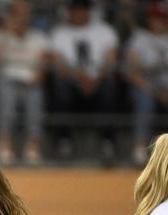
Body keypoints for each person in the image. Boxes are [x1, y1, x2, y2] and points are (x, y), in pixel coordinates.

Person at [48, 0, 120, 160]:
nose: (78, 13)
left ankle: (108, 141)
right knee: (60, 85)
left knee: (110, 86)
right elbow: (58, 64)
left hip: (99, 79)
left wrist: (95, 79)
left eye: (82, 9)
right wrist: (81, 77)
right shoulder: (59, 32)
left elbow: (111, 61)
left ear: (88, 11)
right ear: (69, 11)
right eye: (74, 9)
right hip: (71, 80)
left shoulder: (105, 30)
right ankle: (63, 140)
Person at [0, 0, 48, 165]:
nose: (22, 18)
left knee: (35, 97)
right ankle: (4, 144)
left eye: (25, 14)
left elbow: (42, 70)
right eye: (17, 14)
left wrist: (36, 77)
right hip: (7, 79)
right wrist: (8, 34)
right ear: (10, 15)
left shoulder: (39, 37)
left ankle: (33, 146)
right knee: (7, 95)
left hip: (31, 82)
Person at [125, 4, 168, 165]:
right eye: (154, 19)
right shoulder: (139, 38)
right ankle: (139, 148)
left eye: (161, 19)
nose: (157, 22)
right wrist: (153, 91)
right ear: (148, 20)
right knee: (144, 99)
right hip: (145, 87)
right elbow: (133, 72)